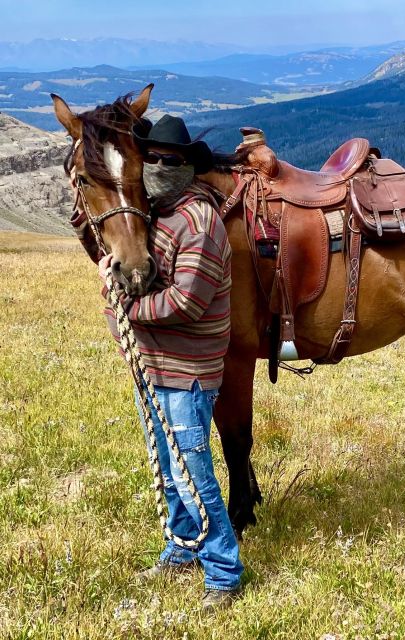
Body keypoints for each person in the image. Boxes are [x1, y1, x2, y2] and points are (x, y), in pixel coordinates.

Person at [98, 114, 243, 611]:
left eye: (170, 160)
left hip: (187, 372)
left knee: (192, 472)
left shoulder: (199, 222)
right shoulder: (154, 215)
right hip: (155, 368)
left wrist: (130, 312)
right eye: (153, 158)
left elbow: (187, 301)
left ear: (187, 166)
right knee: (167, 464)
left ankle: (223, 570)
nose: (160, 166)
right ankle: (182, 546)